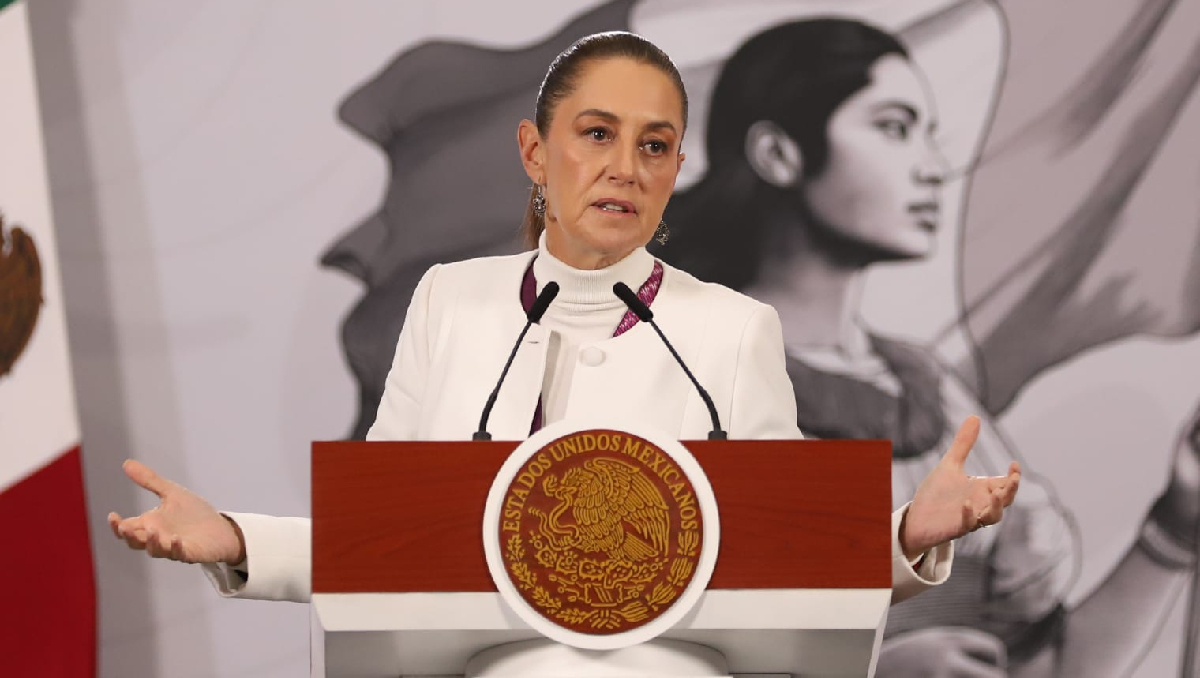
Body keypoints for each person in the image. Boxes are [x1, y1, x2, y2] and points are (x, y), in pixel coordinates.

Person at [108, 31, 1019, 614]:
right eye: (596, 134)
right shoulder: (451, 303)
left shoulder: (733, 330)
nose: (625, 167)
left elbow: (788, 557)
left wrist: (905, 535)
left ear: (675, 172)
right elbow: (382, 542)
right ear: (535, 153)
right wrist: (237, 541)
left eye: (654, 145)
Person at [658, 17, 1200, 677]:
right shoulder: (688, 375)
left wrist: (1175, 527)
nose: (934, 169)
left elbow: (1046, 667)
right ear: (779, 154)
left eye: (928, 135)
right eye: (894, 128)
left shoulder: (927, 389)